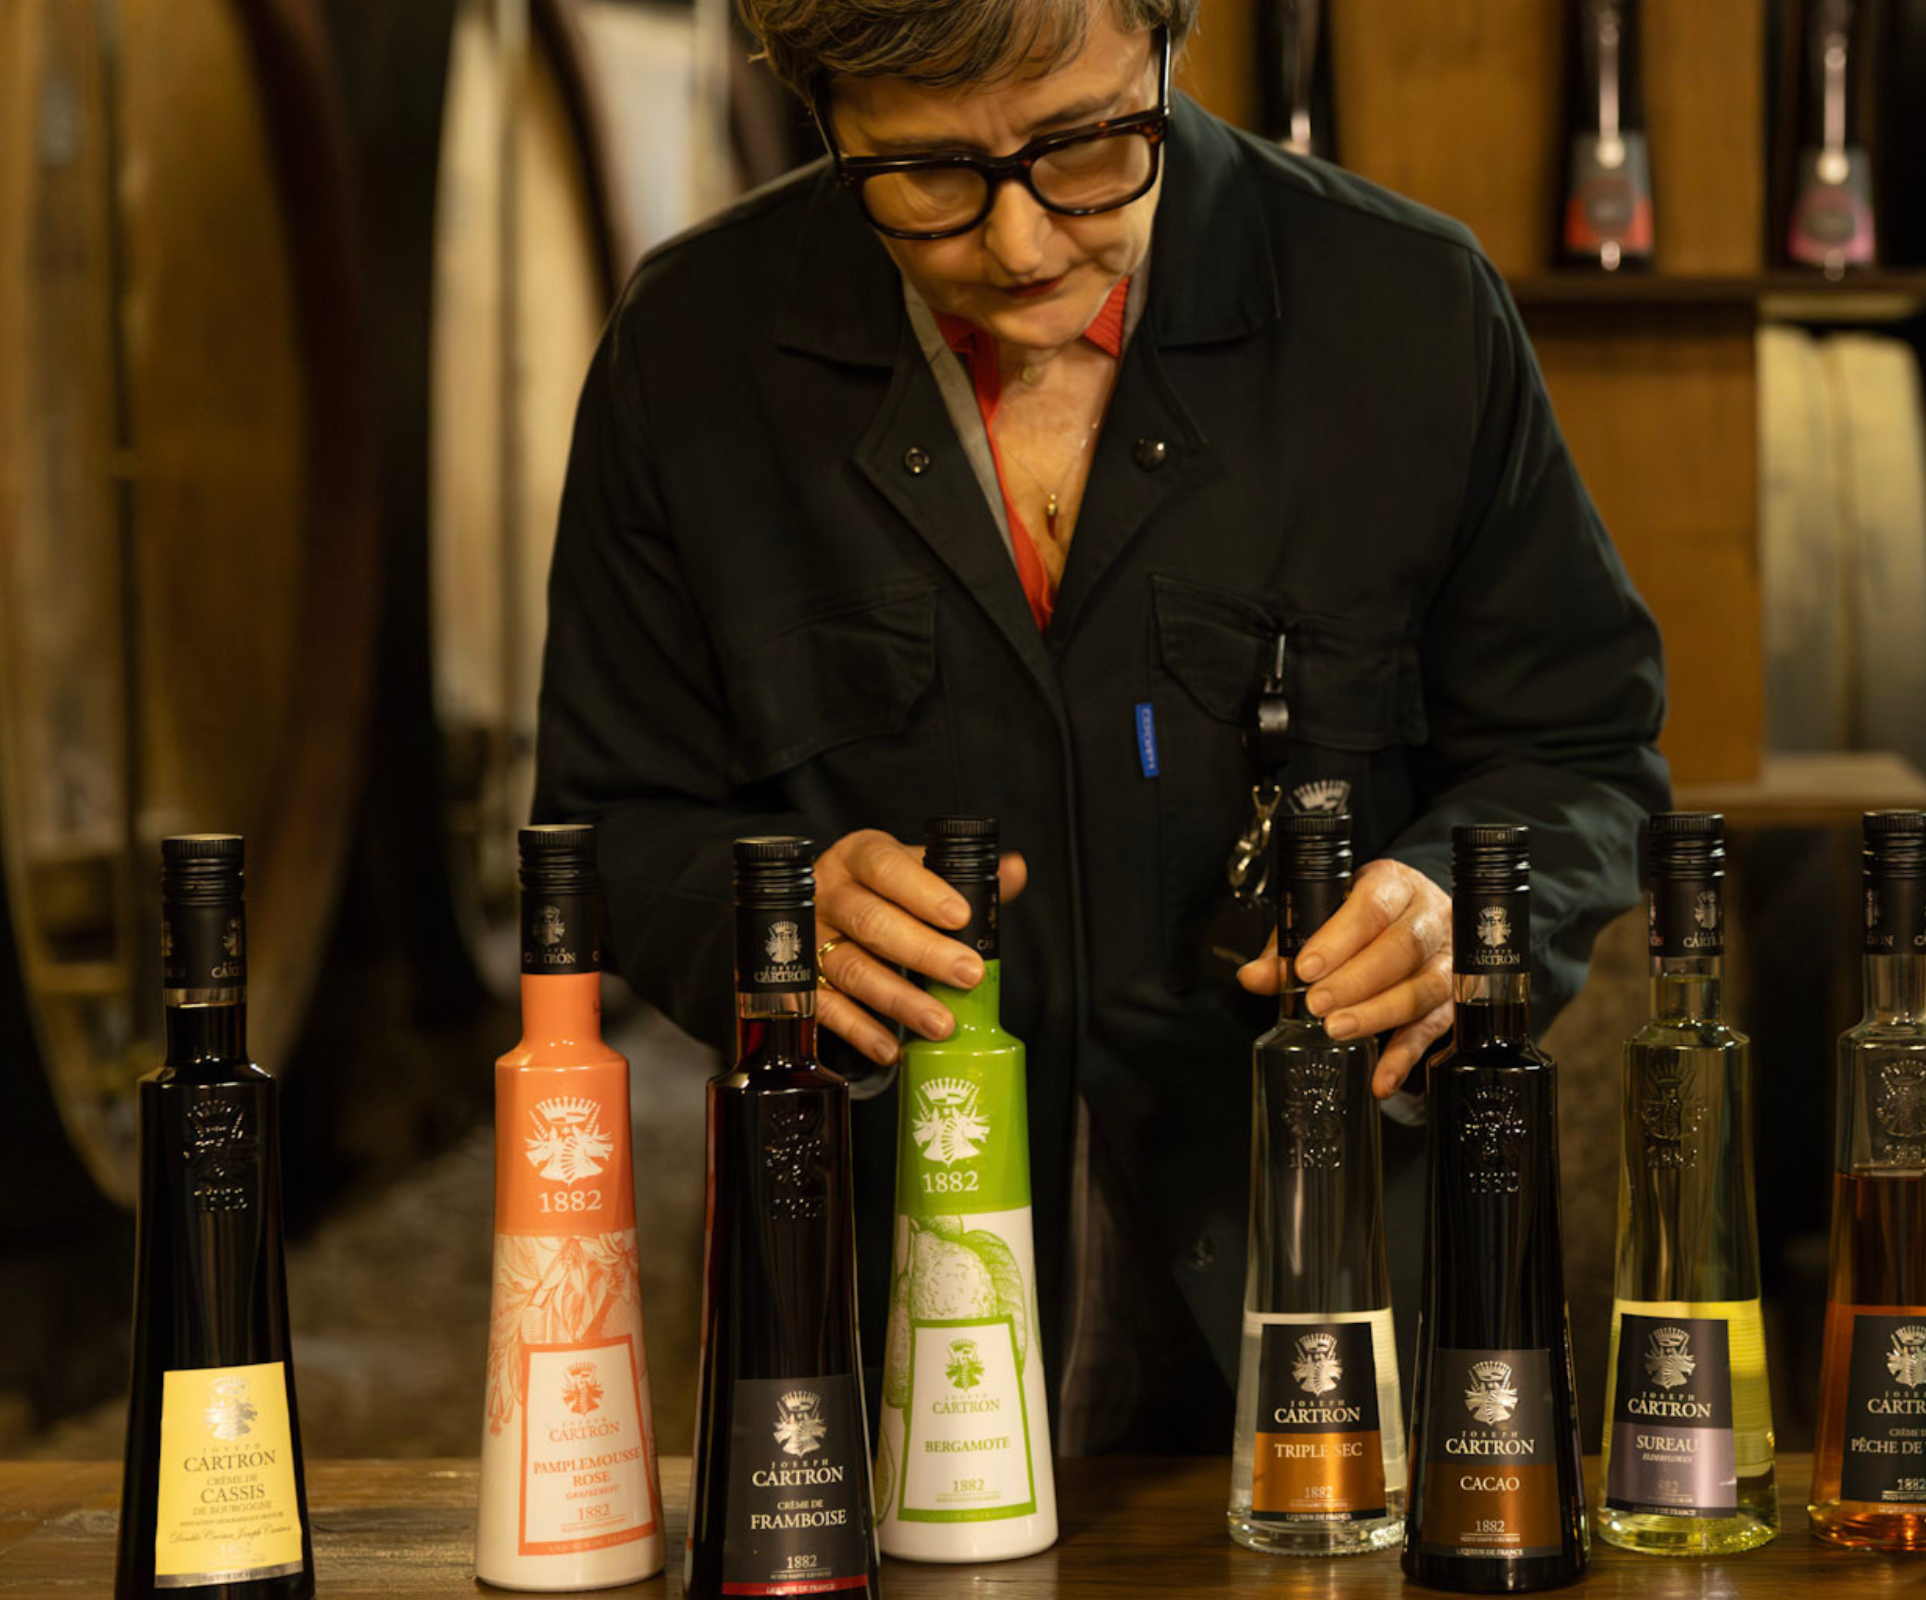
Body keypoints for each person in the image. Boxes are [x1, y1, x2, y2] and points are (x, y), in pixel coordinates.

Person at [531, 0, 1668, 1452]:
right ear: (816, 107)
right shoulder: (692, 350)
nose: (1017, 244)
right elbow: (607, 822)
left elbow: (1582, 753)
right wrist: (768, 916)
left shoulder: (1407, 310)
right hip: (875, 1300)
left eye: (1081, 149)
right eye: (927, 173)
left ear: (1166, 44)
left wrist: (1462, 905)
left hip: (1322, 1281)